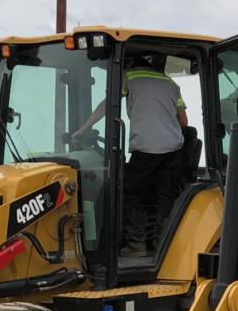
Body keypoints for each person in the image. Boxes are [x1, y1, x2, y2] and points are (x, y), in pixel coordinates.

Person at [74, 51, 187, 256]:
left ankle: (137, 245)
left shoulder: (129, 76)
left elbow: (106, 107)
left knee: (130, 194)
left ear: (128, 63)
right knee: (165, 196)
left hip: (145, 148)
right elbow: (184, 122)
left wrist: (81, 130)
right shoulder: (170, 83)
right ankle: (164, 245)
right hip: (172, 150)